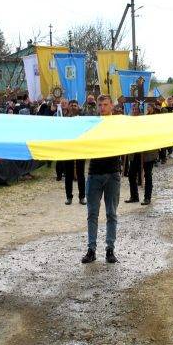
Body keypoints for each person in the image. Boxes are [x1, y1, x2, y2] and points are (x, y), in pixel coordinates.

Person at [83, 94, 120, 264]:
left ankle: (110, 249)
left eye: (105, 104)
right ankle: (91, 249)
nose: (102, 108)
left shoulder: (119, 124)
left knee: (111, 213)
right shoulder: (92, 124)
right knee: (92, 214)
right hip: (94, 172)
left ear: (112, 106)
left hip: (113, 173)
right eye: (100, 105)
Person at [61, 101, 87, 205]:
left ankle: (82, 196)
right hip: (68, 149)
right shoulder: (65, 119)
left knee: (81, 174)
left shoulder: (83, 118)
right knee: (68, 174)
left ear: (78, 107)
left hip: (80, 148)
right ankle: (69, 197)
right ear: (68, 106)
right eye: (71, 105)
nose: (73, 107)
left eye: (75, 105)